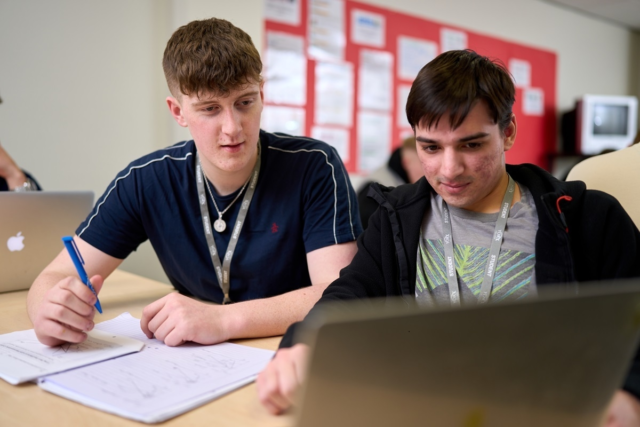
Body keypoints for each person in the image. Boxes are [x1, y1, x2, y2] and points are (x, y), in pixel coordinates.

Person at [256, 50, 640, 425]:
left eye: (471, 145)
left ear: (507, 133)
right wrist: (304, 344)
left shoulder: (588, 218)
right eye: (431, 148)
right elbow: (348, 296)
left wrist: (629, 394)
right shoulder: (396, 218)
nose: (449, 169)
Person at [27, 18, 360, 348]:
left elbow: (338, 292)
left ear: (261, 93)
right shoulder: (147, 180)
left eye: (245, 102)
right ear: (178, 112)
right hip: (199, 357)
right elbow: (54, 277)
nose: (232, 128)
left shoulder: (315, 164)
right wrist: (48, 311)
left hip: (291, 350)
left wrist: (222, 319)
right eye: (210, 109)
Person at [356, 135, 423, 229]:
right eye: (422, 164)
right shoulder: (376, 191)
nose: (428, 171)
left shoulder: (400, 181)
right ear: (406, 162)